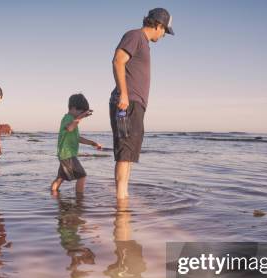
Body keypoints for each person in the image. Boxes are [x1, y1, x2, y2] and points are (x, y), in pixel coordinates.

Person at [110, 8, 174, 199]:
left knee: (128, 154)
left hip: (134, 105)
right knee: (124, 153)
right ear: (158, 25)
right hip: (127, 104)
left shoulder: (143, 43)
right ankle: (121, 202)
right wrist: (123, 94)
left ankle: (124, 196)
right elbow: (118, 61)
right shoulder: (135, 36)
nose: (163, 35)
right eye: (164, 31)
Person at [51, 93, 103, 194]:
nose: (81, 115)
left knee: (60, 178)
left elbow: (77, 138)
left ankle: (53, 193)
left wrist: (92, 143)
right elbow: (70, 128)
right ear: (74, 108)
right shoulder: (68, 118)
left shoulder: (71, 120)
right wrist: (81, 116)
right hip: (68, 154)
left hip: (65, 154)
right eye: (80, 112)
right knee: (82, 176)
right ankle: (80, 199)